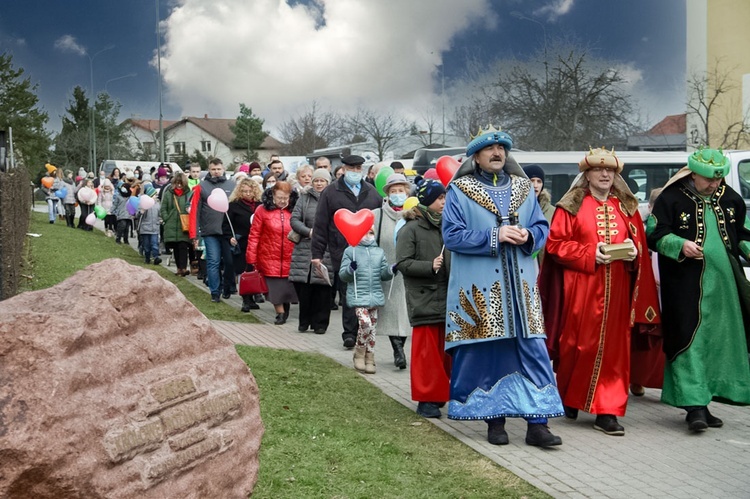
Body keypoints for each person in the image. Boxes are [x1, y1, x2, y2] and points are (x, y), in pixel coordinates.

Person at [442, 127, 564, 447]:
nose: (497, 153)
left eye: (502, 148)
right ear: (477, 157)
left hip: (522, 290)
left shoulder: (525, 188)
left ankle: (538, 424)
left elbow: (541, 226)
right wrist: (494, 237)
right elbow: (452, 236)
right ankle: (494, 422)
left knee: (533, 352)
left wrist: (529, 236)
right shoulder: (460, 190)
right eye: (490, 149)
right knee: (488, 354)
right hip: (482, 292)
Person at [541, 147, 661, 437]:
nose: (605, 174)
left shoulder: (626, 208)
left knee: (615, 350)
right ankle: (571, 395)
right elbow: (555, 245)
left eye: (610, 171)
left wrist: (634, 253)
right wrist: (588, 253)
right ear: (588, 174)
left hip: (619, 287)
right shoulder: (570, 206)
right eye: (598, 170)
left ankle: (607, 411)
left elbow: (640, 245)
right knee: (577, 345)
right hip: (581, 286)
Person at [647, 147, 750, 431]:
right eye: (708, 179)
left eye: (718, 179)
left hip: (725, 286)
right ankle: (694, 406)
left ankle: (705, 400)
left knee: (718, 343)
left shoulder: (731, 199)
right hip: (685, 286)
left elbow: (742, 233)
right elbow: (654, 235)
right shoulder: (671, 198)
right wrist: (680, 245)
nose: (714, 184)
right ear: (693, 173)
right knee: (688, 340)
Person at [311, 154, 384, 348]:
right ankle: (349, 333)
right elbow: (320, 225)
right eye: (351, 168)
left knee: (366, 291)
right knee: (348, 291)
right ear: (343, 169)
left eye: (358, 168)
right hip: (341, 250)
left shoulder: (372, 192)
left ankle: (364, 329)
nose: (354, 171)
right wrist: (317, 255)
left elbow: (380, 223)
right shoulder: (331, 192)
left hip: (369, 251)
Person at [396, 179, 452, 418]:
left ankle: (440, 395)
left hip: (447, 298)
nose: (444, 202)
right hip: (424, 299)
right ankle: (426, 398)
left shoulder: (448, 226)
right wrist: (429, 266)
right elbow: (403, 263)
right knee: (427, 355)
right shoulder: (411, 228)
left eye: (445, 197)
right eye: (440, 198)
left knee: (444, 353)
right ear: (429, 200)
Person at [340, 226, 395, 373]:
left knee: (372, 330)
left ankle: (370, 357)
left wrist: (390, 270)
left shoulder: (379, 252)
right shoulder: (350, 251)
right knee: (365, 324)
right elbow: (343, 276)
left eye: (371, 232)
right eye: (365, 232)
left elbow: (383, 274)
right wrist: (350, 270)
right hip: (359, 296)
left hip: (374, 295)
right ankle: (359, 353)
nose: (368, 235)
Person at [373, 173, 412, 369]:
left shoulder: (414, 214)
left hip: (410, 272)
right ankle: (398, 350)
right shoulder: (377, 215)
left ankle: (401, 347)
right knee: (390, 313)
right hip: (387, 272)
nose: (398, 194)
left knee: (405, 313)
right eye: (394, 191)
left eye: (401, 191)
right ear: (387, 194)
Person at [288, 169, 335, 333]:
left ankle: (320, 324)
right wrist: (309, 231)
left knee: (322, 287)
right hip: (304, 247)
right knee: (304, 287)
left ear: (328, 183)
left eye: (323, 181)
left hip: (327, 248)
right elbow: (294, 219)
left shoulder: (333, 199)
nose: (319, 183)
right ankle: (304, 321)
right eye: (316, 181)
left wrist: (324, 234)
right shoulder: (304, 198)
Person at [246, 181, 298, 325]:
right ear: (273, 195)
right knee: (274, 288)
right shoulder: (262, 210)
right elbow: (254, 234)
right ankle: (280, 312)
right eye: (279, 197)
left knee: (287, 288)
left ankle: (285, 308)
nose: (282, 201)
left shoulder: (295, 210)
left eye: (285, 198)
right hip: (268, 255)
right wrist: (251, 256)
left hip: (290, 256)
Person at [189, 158, 237, 302]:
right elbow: (195, 211)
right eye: (213, 169)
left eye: (218, 169)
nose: (216, 172)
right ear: (208, 170)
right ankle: (215, 292)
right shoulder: (202, 187)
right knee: (213, 261)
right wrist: (194, 234)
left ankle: (227, 286)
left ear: (223, 169)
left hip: (228, 232)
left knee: (229, 262)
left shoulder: (232, 185)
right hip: (210, 231)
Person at [226, 177, 263, 311]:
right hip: (242, 242)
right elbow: (226, 224)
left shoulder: (260, 205)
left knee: (256, 270)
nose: (247, 194)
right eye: (244, 191)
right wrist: (230, 237)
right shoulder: (234, 205)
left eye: (250, 191)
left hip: (259, 242)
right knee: (244, 271)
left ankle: (255, 295)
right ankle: (246, 300)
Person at [161, 173, 192, 276]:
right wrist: (167, 217)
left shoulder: (189, 194)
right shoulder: (168, 194)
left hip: (184, 225)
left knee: (183, 246)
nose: (179, 185)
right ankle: (179, 268)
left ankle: (183, 268)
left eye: (181, 183)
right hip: (172, 223)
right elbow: (163, 208)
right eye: (177, 183)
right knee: (175, 247)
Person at [137, 185, 162, 265]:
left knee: (154, 243)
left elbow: (160, 214)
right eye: (154, 195)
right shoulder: (143, 204)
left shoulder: (157, 205)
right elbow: (138, 216)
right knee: (146, 245)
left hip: (154, 228)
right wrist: (141, 212)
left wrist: (160, 220)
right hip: (145, 228)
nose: (156, 196)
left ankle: (155, 257)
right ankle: (147, 257)